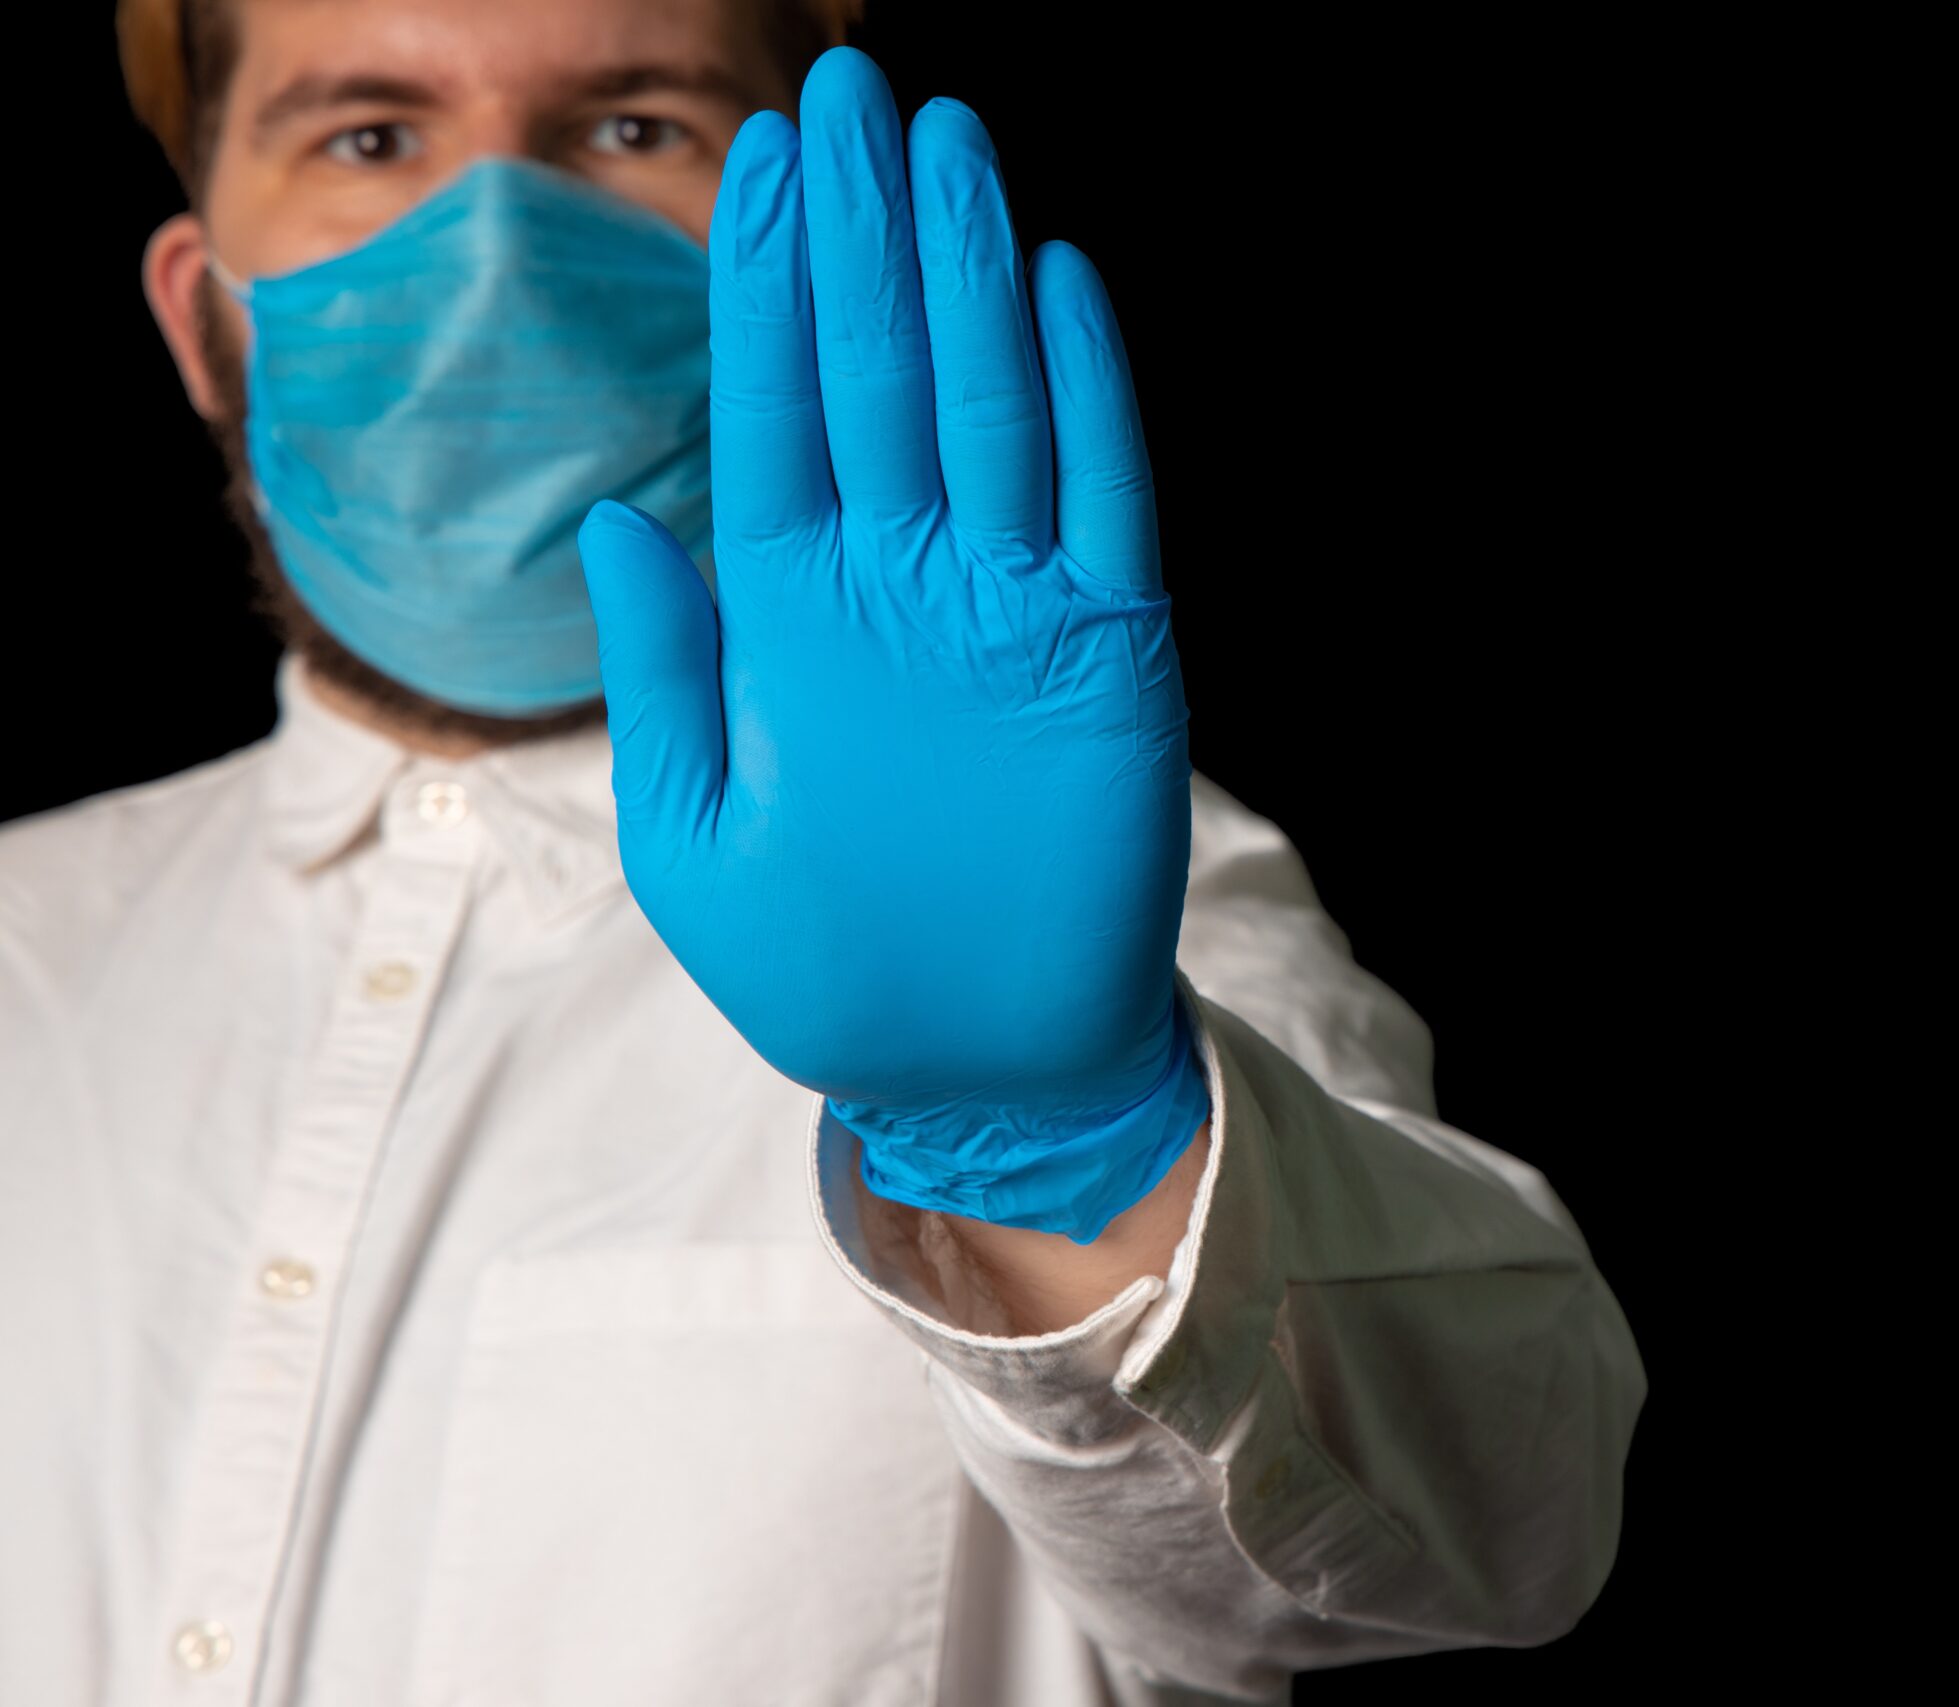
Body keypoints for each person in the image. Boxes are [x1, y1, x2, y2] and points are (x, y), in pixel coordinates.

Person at [0, 1, 1647, 1702]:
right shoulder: (22, 944)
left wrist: (1064, 1149)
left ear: (797, 265)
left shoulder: (1114, 921)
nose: (495, 247)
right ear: (203, 320)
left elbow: (1495, 1525)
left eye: (633, 126)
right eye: (367, 137)